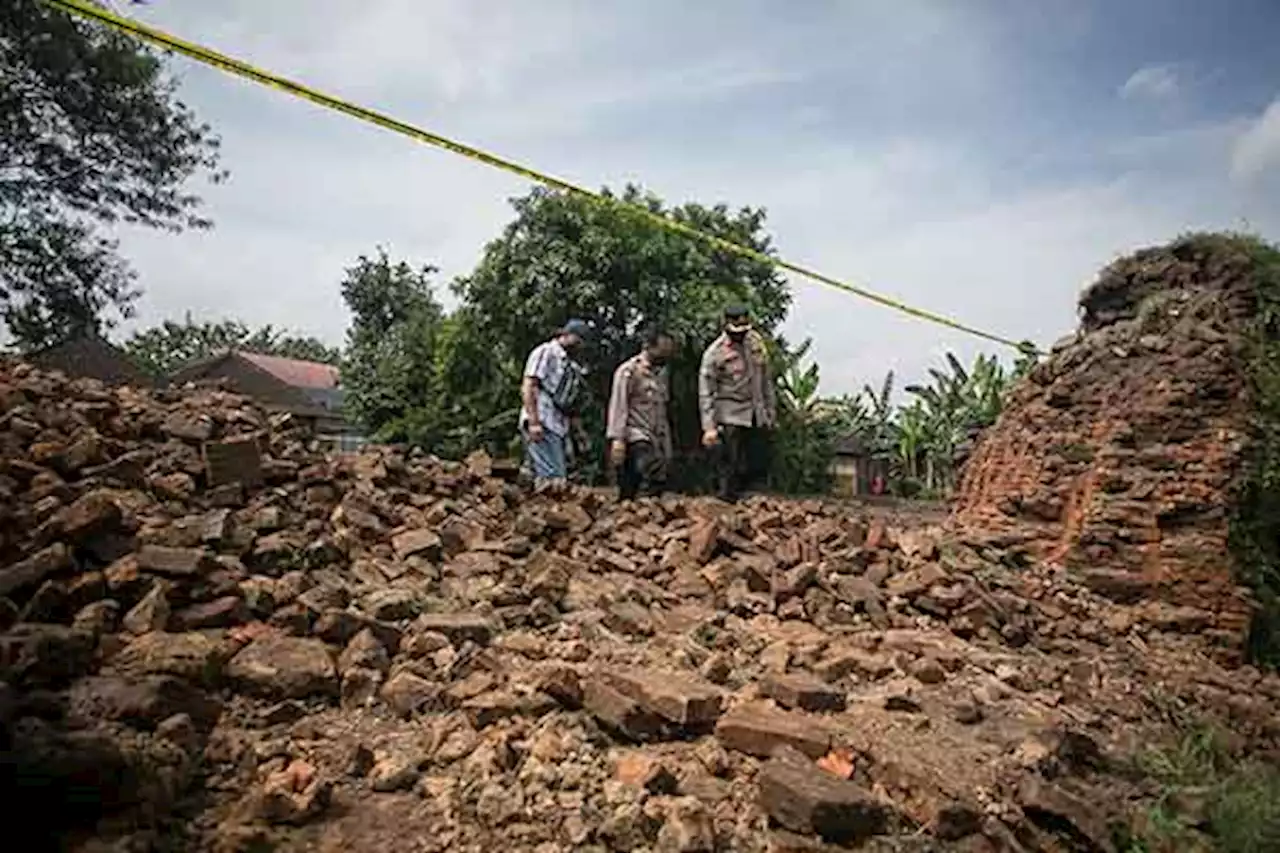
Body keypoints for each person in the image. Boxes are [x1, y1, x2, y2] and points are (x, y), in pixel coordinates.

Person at [698, 305, 777, 502]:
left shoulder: (757, 343)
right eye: (736, 331)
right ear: (725, 325)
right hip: (730, 413)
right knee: (730, 465)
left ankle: (749, 505)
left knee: (756, 464)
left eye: (745, 329)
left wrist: (770, 412)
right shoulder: (714, 354)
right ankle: (725, 502)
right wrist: (709, 428)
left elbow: (766, 380)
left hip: (756, 414)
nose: (741, 335)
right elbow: (706, 392)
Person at [606, 327, 676, 500]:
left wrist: (666, 445)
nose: (666, 356)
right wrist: (618, 440)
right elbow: (619, 405)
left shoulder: (661, 374)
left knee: (635, 483)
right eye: (662, 351)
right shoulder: (629, 371)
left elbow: (662, 409)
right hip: (635, 434)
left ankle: (637, 515)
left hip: (656, 435)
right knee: (651, 471)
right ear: (648, 347)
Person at [519, 319, 590, 484]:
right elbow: (529, 386)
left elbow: (570, 403)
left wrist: (579, 433)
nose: (581, 346)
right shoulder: (546, 352)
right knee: (553, 478)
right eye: (579, 340)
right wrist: (534, 422)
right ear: (566, 334)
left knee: (549, 476)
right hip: (543, 420)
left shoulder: (571, 365)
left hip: (558, 427)